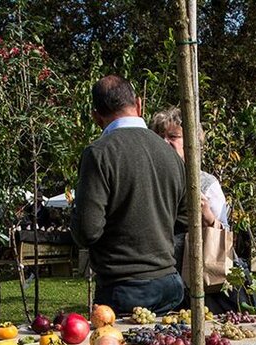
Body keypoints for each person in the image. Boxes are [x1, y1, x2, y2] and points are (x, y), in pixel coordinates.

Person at [71, 75, 187, 314]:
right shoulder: (171, 155)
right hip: (169, 281)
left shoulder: (99, 154)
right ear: (139, 103)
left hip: (123, 286)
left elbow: (87, 230)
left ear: (96, 117)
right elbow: (185, 219)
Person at [149, 106, 246, 314]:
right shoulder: (150, 181)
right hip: (160, 276)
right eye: (160, 136)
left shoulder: (206, 183)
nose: (165, 142)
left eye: (173, 136)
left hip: (198, 277)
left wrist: (208, 216)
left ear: (192, 143)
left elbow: (224, 234)